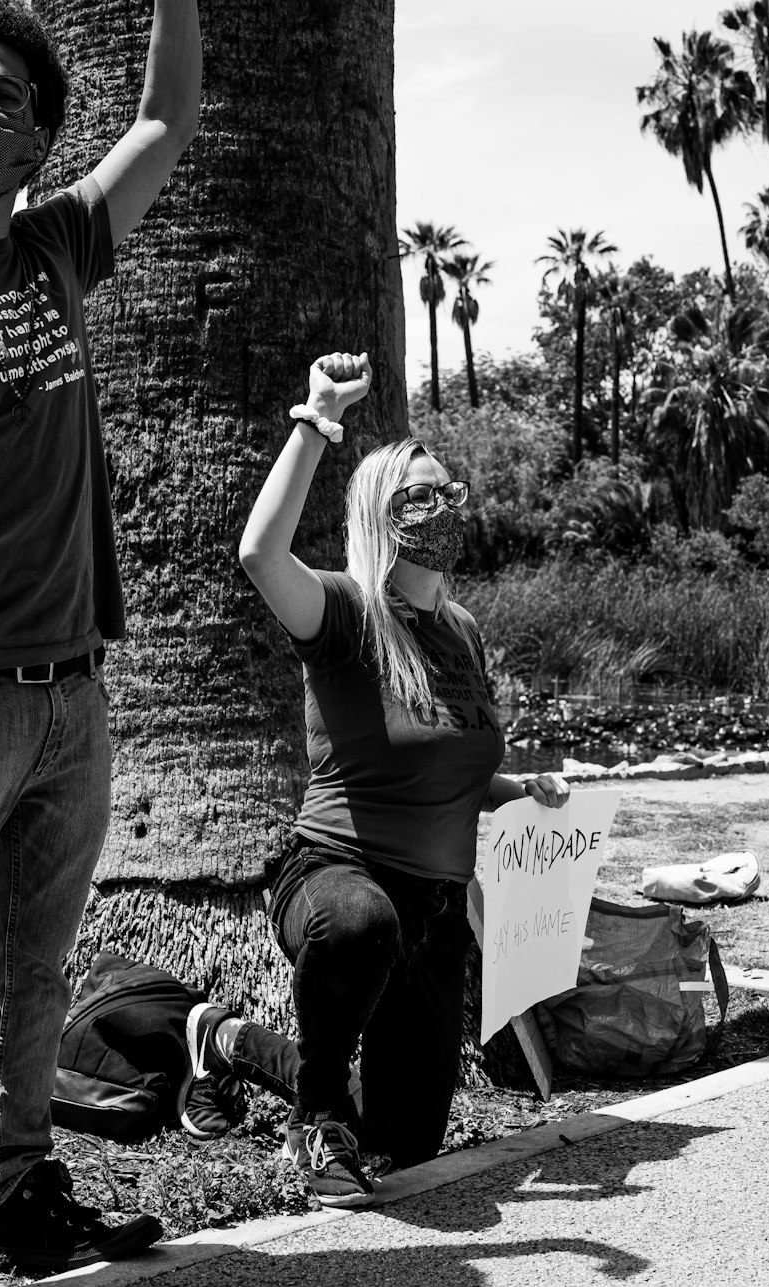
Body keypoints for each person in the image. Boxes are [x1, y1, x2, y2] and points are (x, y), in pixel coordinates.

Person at [0, 0, 202, 1273]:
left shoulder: (54, 245)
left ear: (40, 131)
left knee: (32, 971)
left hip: (72, 696)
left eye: (2, 94)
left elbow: (165, 118)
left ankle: (18, 1195)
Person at [238, 352, 570, 1208]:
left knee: (406, 1147)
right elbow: (258, 551)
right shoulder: (343, 609)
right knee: (359, 923)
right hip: (335, 877)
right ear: (380, 516)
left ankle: (233, 1044)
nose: (438, 508)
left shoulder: (461, 628)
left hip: (433, 910)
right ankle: (316, 1117)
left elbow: (450, 768)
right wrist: (315, 420)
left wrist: (517, 791)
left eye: (446, 492)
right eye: (414, 496)